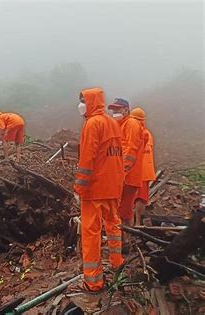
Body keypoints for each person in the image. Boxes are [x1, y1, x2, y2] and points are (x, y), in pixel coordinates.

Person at [74, 87, 124, 292]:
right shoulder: (112, 123)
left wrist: (79, 187)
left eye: (83, 100)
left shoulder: (93, 124)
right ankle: (117, 262)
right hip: (113, 186)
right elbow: (117, 155)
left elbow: (87, 158)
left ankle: (93, 282)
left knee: (91, 233)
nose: (80, 105)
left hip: (95, 189)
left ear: (91, 101)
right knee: (113, 226)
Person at [108, 98, 145, 244]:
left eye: (117, 109)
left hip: (128, 176)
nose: (114, 112)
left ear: (125, 110)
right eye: (113, 109)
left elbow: (130, 150)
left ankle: (125, 242)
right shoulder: (121, 125)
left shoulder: (131, 124)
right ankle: (124, 242)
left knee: (122, 210)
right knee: (122, 209)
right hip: (124, 175)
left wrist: (122, 172)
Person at [130, 107, 155, 225]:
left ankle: (136, 224)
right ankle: (136, 223)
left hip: (138, 170)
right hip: (144, 171)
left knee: (135, 198)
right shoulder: (147, 133)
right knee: (139, 198)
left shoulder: (137, 132)